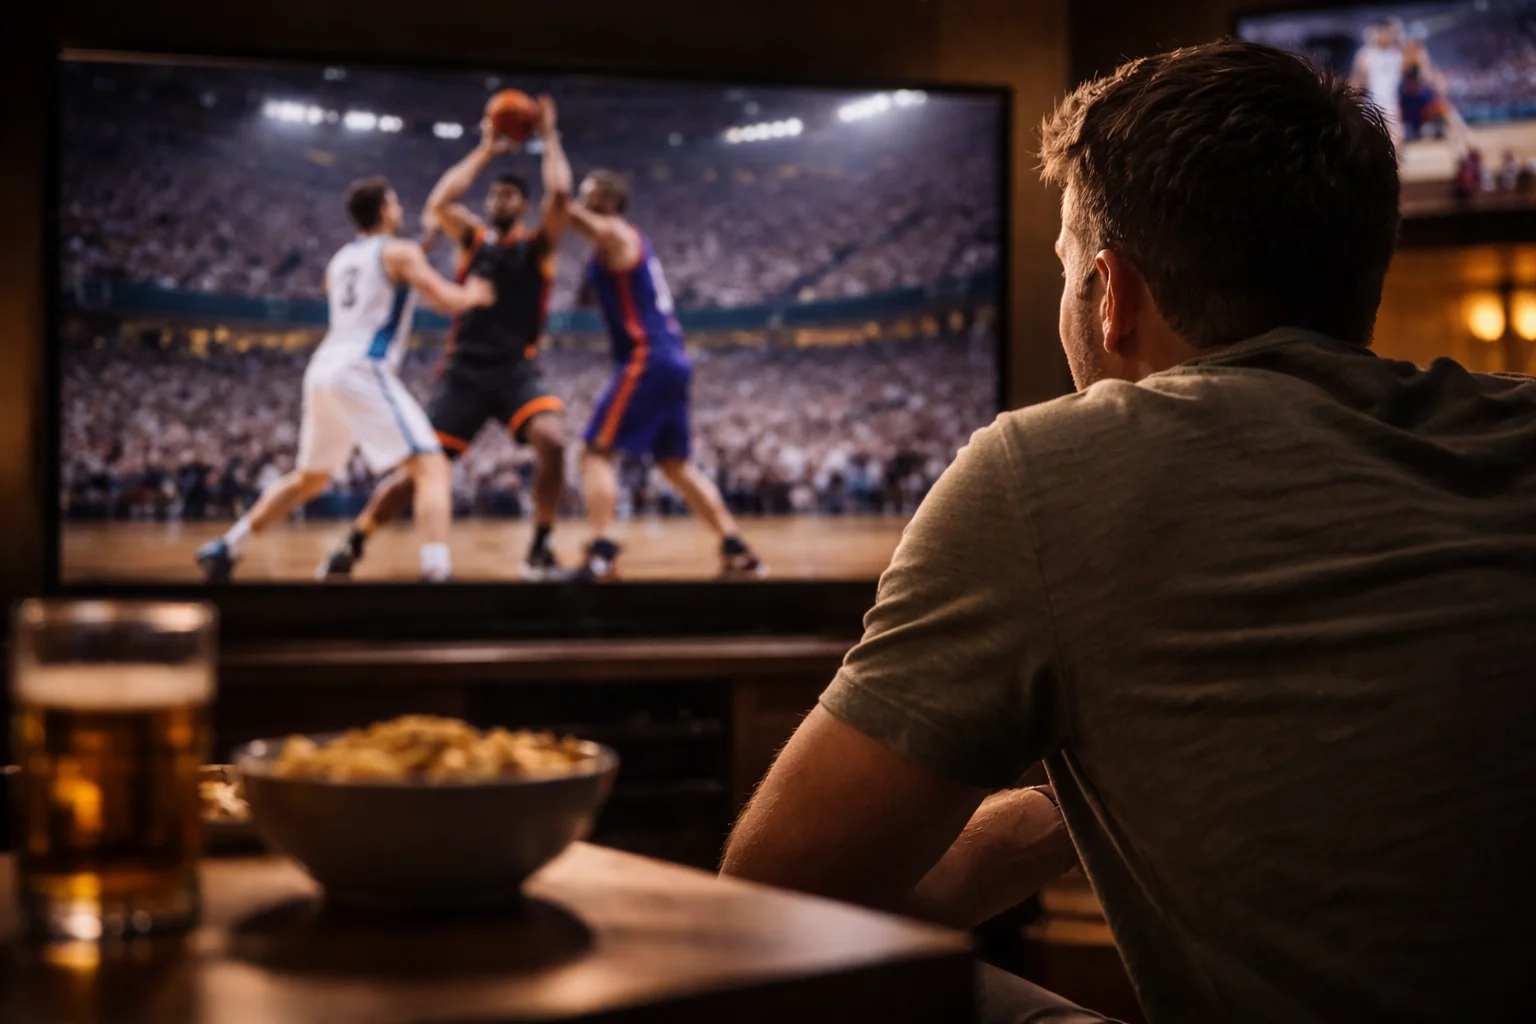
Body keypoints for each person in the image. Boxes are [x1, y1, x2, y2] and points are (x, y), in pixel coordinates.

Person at [722, 40, 1536, 1023]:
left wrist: (916, 908)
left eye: (1066, 270)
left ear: (1111, 296)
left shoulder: (1045, 475)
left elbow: (764, 918)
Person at [318, 97, 572, 581]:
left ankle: (540, 544)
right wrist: (485, 150)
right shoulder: (473, 239)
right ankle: (355, 540)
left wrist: (549, 136)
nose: (499, 201)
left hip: (516, 368)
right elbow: (439, 204)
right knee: (418, 471)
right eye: (494, 195)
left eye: (509, 196)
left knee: (554, 440)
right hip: (464, 372)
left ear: (523, 206)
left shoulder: (538, 245)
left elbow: (560, 194)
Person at [196, 177, 491, 583]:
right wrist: (474, 294)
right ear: (385, 211)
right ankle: (436, 569)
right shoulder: (401, 253)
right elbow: (444, 300)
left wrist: (415, 255)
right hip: (362, 367)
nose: (400, 210)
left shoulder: (340, 260)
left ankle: (228, 546)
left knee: (309, 479)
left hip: (323, 368)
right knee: (432, 466)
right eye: (396, 204)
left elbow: (368, 281)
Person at [563, 170, 765, 580]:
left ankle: (602, 554)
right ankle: (737, 549)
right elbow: (585, 299)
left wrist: (549, 143)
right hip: (672, 356)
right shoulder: (614, 245)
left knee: (594, 453)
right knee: (675, 464)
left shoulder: (617, 232)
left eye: (587, 195)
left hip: (647, 355)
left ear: (606, 201)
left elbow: (559, 206)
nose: (581, 202)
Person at [1350, 19, 1404, 147]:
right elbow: (1356, 79)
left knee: (1396, 140)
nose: (1386, 36)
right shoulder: (1366, 54)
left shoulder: (1398, 54)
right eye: (1382, 33)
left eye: (1388, 33)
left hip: (1391, 105)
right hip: (1372, 104)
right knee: (1371, 142)